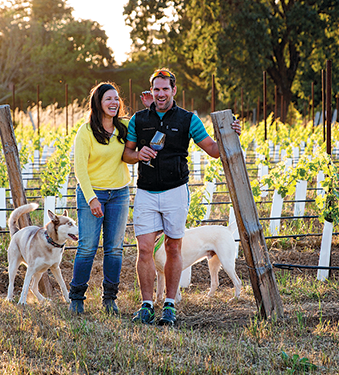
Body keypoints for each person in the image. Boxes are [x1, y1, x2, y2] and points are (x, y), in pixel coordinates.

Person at [122, 67, 241, 327]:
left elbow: (213, 149)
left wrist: (231, 133)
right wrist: (137, 154)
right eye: (157, 89)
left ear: (174, 91)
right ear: (151, 91)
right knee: (144, 249)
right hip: (145, 192)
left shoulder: (188, 119)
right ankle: (146, 306)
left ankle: (170, 305)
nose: (161, 93)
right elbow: (127, 154)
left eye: (166, 89)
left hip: (176, 191)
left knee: (173, 247)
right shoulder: (139, 120)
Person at [69, 82, 132, 315]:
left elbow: (148, 128)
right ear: (98, 103)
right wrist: (92, 199)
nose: (114, 103)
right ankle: (76, 298)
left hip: (119, 194)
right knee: (87, 247)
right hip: (92, 193)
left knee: (114, 248)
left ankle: (109, 299)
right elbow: (80, 170)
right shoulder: (85, 132)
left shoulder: (125, 126)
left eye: (116, 99)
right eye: (108, 99)